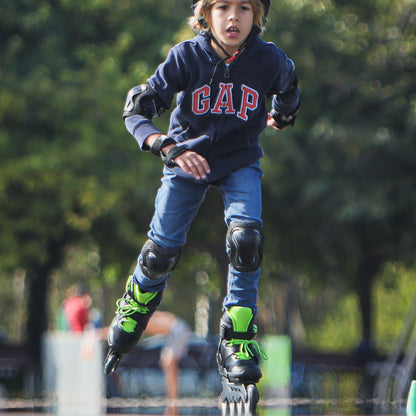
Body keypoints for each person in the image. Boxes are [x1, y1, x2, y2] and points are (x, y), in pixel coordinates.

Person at [105, 0, 300, 388]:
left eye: (245, 8)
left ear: (258, 16)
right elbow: (136, 109)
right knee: (160, 253)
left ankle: (238, 337)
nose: (234, 17)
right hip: (186, 160)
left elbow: (289, 86)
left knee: (247, 239)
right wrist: (167, 146)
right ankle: (136, 304)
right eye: (223, 6)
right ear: (206, 14)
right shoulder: (186, 57)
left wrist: (282, 114)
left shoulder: (269, 60)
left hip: (240, 160)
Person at [145, 311, 191, 413]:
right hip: (175, 331)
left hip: (177, 330)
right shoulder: (145, 316)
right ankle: (172, 403)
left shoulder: (141, 318)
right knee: (167, 364)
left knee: (169, 364)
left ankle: (173, 405)